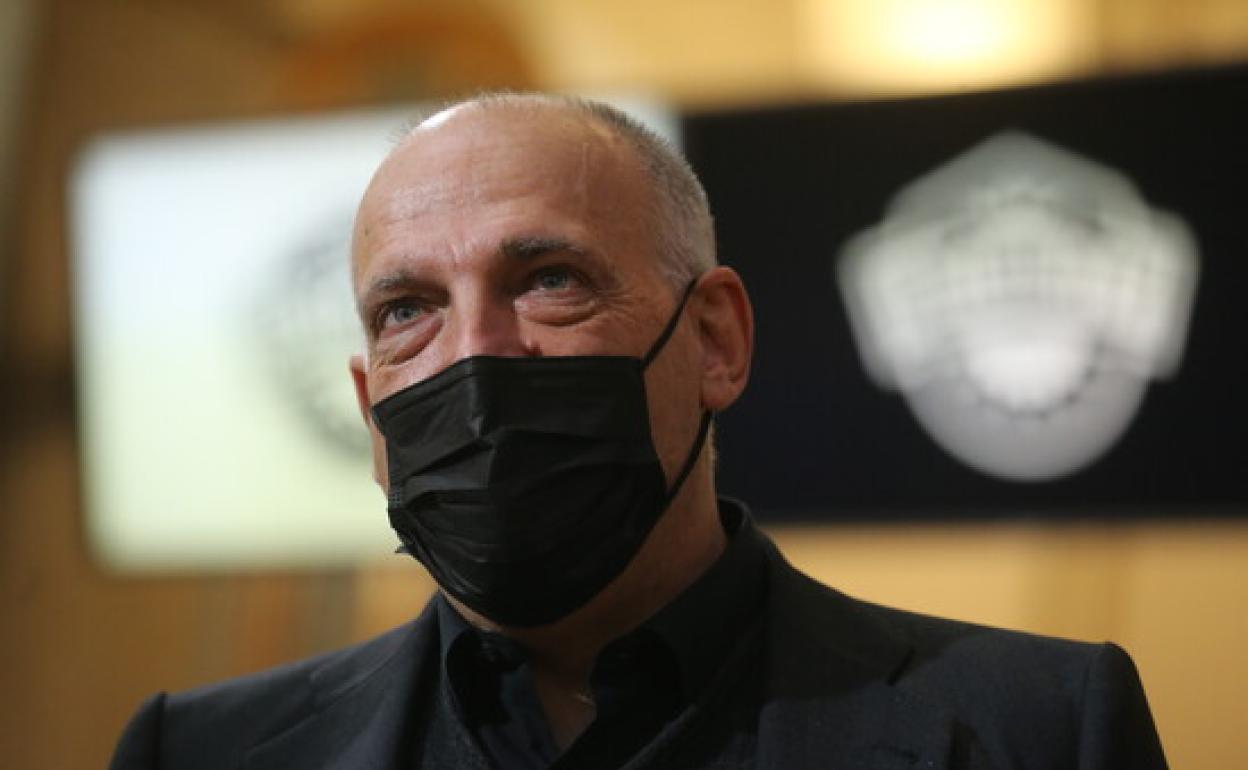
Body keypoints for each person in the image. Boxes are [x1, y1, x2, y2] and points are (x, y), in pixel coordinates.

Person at [109, 93, 1167, 769]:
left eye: (549, 280)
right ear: (367, 407)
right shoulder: (197, 752)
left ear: (715, 340)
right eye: (407, 311)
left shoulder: (1040, 729)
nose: (475, 355)